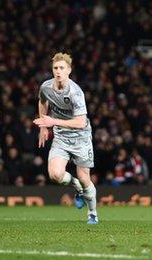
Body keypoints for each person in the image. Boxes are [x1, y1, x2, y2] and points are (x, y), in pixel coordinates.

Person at [34, 53, 98, 224]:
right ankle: (76, 187)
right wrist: (44, 126)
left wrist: (52, 121)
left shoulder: (76, 92)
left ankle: (92, 212)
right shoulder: (46, 87)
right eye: (55, 68)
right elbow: (42, 101)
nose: (58, 71)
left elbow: (81, 122)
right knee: (55, 174)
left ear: (69, 70)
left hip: (81, 137)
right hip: (61, 137)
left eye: (62, 68)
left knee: (85, 178)